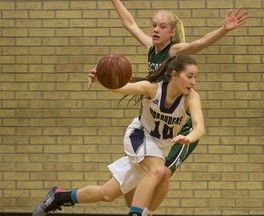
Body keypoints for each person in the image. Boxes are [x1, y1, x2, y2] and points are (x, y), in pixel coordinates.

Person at [90, 1, 247, 215]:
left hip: (180, 126)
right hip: (158, 122)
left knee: (160, 172)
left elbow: (200, 43)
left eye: (162, 26)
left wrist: (224, 29)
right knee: (148, 176)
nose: (155, 29)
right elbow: (129, 23)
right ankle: (137, 208)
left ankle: (141, 213)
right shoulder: (150, 48)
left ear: (172, 32)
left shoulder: (174, 50)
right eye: (154, 25)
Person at [32, 55, 205, 216]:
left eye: (195, 77)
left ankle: (59, 197)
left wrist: (189, 138)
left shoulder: (191, 98)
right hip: (139, 136)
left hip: (159, 148)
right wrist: (102, 77)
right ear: (174, 75)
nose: (194, 81)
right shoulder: (152, 89)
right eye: (189, 76)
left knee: (107, 194)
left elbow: (199, 127)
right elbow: (120, 88)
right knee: (159, 171)